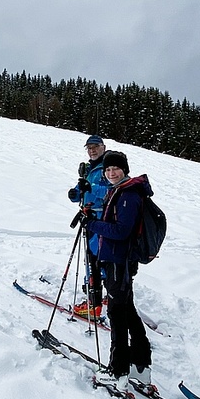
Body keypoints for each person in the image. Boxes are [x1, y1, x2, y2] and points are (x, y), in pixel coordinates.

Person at [83, 150, 153, 389]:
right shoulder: (120, 191)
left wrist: (91, 223)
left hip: (119, 263)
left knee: (117, 315)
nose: (112, 173)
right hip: (118, 262)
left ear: (125, 170)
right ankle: (141, 367)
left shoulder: (127, 195)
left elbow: (121, 231)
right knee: (128, 313)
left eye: (116, 169)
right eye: (108, 170)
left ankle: (118, 370)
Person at [68, 135, 111, 318]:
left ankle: (94, 304)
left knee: (95, 259)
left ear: (103, 147)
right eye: (89, 148)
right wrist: (75, 194)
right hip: (90, 217)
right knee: (95, 257)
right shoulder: (90, 168)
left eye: (95, 147)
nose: (92, 150)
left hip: (101, 218)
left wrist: (91, 188)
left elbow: (113, 190)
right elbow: (84, 190)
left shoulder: (108, 166)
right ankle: (105, 296)